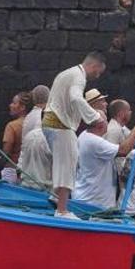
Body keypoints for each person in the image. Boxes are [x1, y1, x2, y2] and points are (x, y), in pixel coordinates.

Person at [44, 52, 107, 218]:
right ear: (93, 66)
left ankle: (55, 195)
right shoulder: (79, 77)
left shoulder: (66, 73)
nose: (97, 76)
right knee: (68, 164)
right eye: (98, 72)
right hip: (61, 124)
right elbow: (76, 98)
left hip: (49, 123)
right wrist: (95, 117)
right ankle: (62, 210)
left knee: (61, 161)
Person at [74, 114, 135, 209]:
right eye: (106, 121)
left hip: (88, 197)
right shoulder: (94, 141)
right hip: (93, 202)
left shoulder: (85, 134)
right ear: (100, 126)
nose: (108, 124)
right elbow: (123, 150)